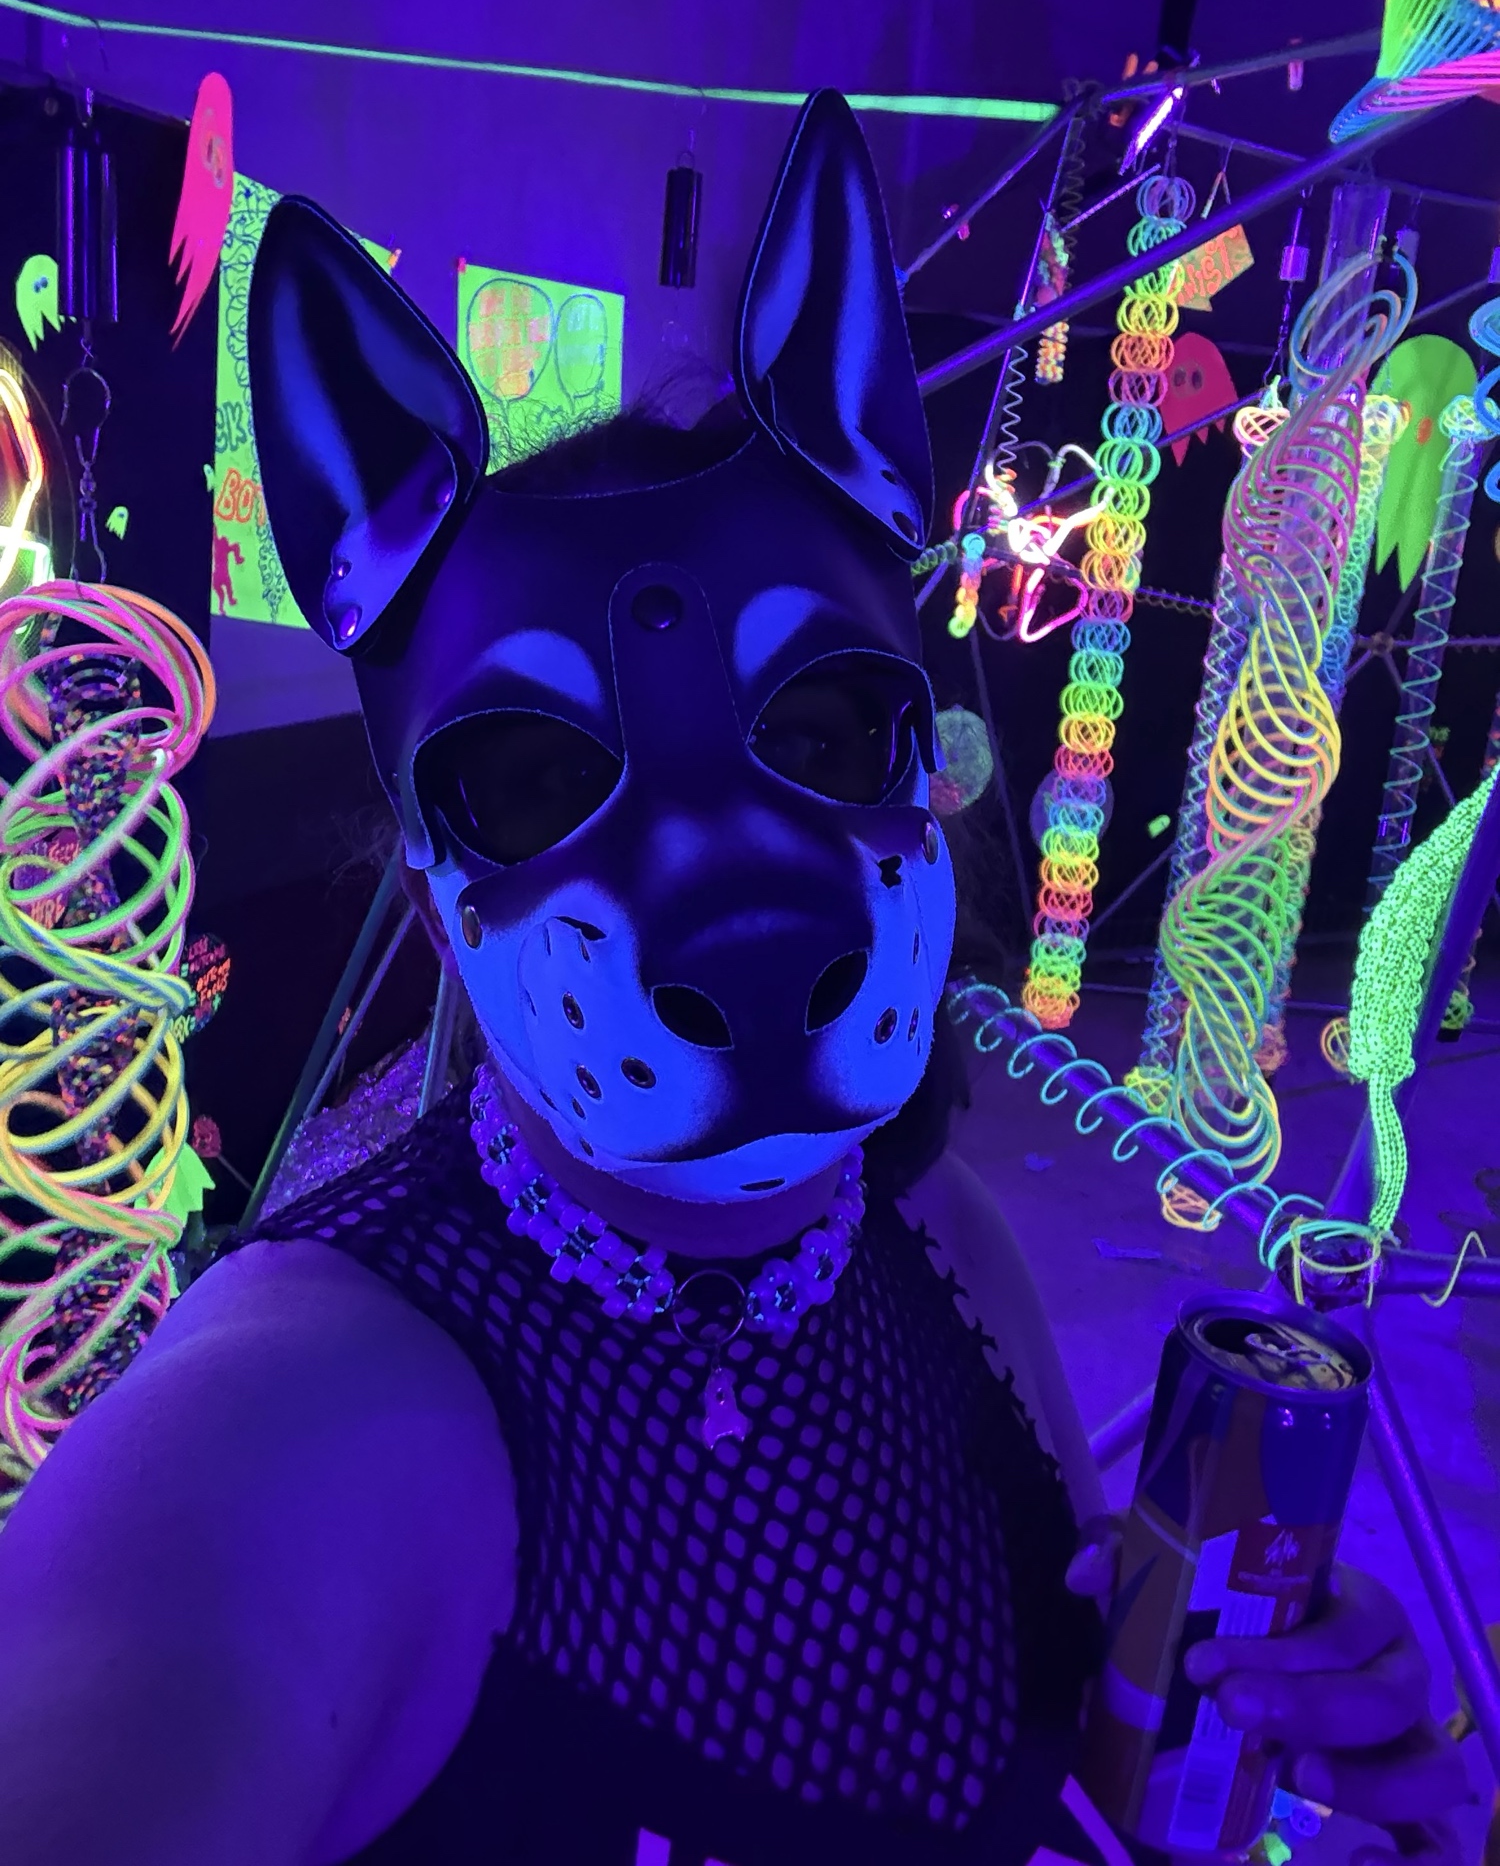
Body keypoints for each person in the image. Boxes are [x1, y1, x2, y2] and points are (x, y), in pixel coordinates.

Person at [0, 94, 1469, 1866]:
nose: (736, 907)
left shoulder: (939, 1239)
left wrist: (1262, 1727)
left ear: (928, 772)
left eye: (826, 731)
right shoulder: (293, 1421)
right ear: (428, 884)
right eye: (536, 781)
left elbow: (1066, 1775)